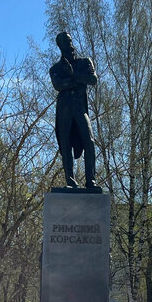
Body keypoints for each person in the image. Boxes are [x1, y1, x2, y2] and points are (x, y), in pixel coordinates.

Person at [49, 32, 100, 190]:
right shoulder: (56, 68)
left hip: (79, 108)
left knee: (89, 141)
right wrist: (77, 79)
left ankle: (91, 180)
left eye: (69, 41)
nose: (69, 45)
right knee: (65, 144)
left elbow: (93, 80)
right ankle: (70, 180)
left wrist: (72, 75)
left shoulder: (85, 62)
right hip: (64, 109)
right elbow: (58, 85)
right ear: (60, 47)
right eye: (65, 43)